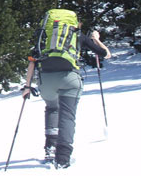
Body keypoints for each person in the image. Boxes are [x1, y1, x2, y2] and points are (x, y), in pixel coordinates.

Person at [22, 20, 111, 169]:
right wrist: (96, 39)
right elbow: (106, 54)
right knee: (67, 116)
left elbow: (32, 61)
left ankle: (50, 148)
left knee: (52, 108)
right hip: (70, 79)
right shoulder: (78, 36)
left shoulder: (44, 38)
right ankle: (63, 158)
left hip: (46, 80)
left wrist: (27, 86)